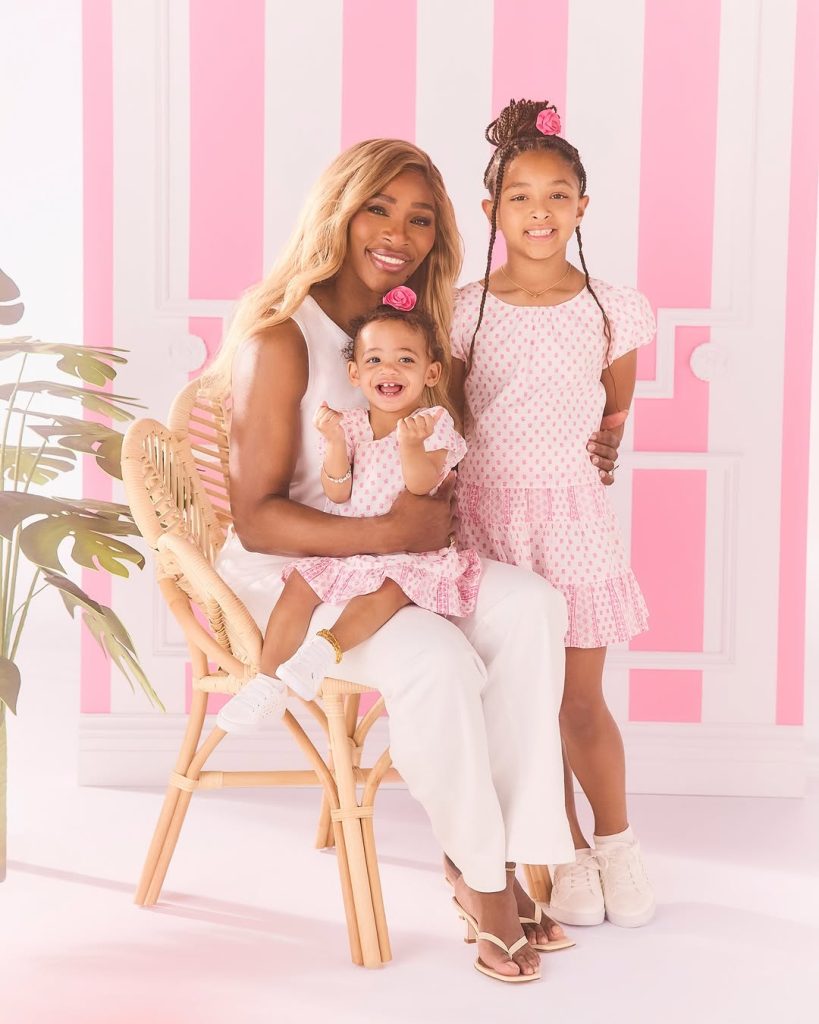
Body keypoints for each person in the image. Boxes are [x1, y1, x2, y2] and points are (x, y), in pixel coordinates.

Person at [204, 138, 620, 981]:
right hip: (299, 573)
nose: (398, 232)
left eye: (420, 218)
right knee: (435, 657)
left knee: (533, 604)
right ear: (337, 213)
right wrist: (390, 536)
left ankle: (520, 850)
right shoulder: (283, 337)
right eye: (378, 208)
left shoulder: (418, 339)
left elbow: (479, 436)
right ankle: (483, 881)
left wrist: (592, 439)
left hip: (404, 563)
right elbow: (256, 521)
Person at [450, 99, 656, 929]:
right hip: (487, 523)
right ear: (491, 209)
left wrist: (606, 447)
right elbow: (450, 416)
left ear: (581, 206)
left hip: (571, 525)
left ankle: (616, 844)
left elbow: (613, 409)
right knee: (522, 705)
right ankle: (561, 851)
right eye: (520, 196)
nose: (539, 211)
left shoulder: (612, 308)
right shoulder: (463, 310)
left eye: (557, 195)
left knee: (577, 702)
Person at [215, 295, 482, 730]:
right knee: (300, 585)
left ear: (431, 372)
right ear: (355, 374)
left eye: (405, 359)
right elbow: (337, 492)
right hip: (355, 548)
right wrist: (336, 443)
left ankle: (325, 649)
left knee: (388, 593)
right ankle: (266, 683)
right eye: (374, 360)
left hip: (408, 556)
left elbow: (421, 484)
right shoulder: (354, 424)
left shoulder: (433, 424)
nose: (389, 370)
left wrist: (411, 445)